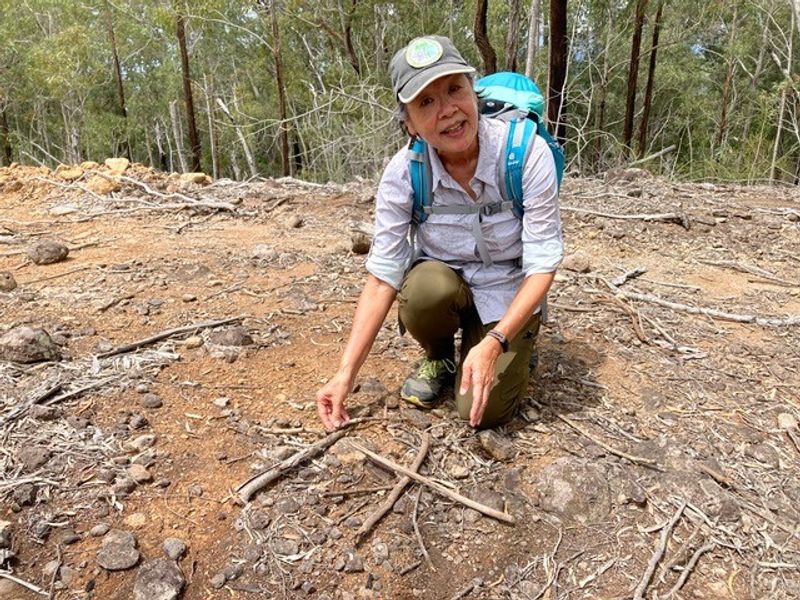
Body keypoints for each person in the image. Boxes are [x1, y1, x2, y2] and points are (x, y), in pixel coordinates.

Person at [316, 35, 562, 431]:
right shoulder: (404, 173)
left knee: (483, 413)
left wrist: (497, 342)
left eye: (454, 89)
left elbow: (541, 265)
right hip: (445, 284)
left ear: (473, 91)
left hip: (508, 287)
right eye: (426, 102)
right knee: (425, 288)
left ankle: (510, 337)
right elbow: (383, 277)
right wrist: (345, 373)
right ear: (409, 124)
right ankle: (441, 354)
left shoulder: (525, 154)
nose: (448, 110)